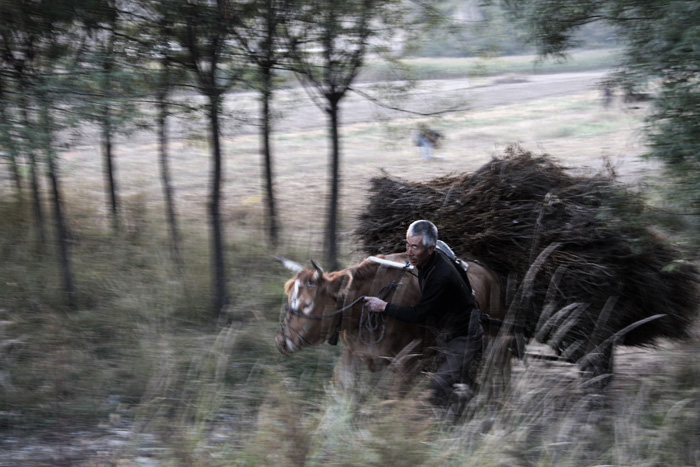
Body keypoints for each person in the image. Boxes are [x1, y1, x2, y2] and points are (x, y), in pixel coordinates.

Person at [364, 220, 484, 411]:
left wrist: (384, 306)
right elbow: (459, 270)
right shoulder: (428, 259)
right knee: (456, 379)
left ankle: (444, 424)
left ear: (430, 249)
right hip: (445, 332)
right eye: (408, 245)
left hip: (463, 335)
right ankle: (470, 403)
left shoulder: (440, 276)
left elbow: (418, 314)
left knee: (436, 388)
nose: (409, 252)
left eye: (415, 247)